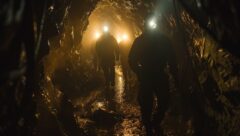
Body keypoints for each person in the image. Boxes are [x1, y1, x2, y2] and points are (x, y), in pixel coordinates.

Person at [128, 19, 178, 135]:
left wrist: (174, 74)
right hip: (146, 74)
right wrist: (139, 71)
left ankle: (155, 121)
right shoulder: (141, 40)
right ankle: (148, 126)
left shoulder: (163, 40)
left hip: (158, 73)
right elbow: (131, 59)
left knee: (164, 100)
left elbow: (172, 58)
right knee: (146, 103)